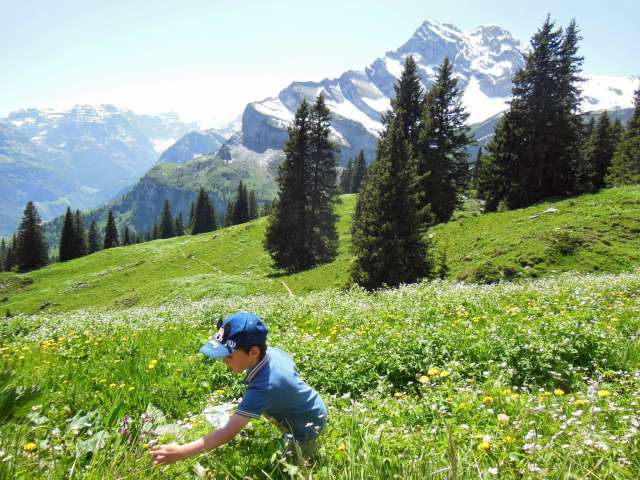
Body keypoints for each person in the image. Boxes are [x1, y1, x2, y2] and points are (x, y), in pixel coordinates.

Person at [151, 311, 328, 466]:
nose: (223, 361)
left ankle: (306, 447)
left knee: (288, 463)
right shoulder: (272, 354)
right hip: (313, 405)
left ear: (254, 352)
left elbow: (227, 433)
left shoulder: (264, 388)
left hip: (307, 425)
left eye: (229, 356)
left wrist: (180, 452)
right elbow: (290, 365)